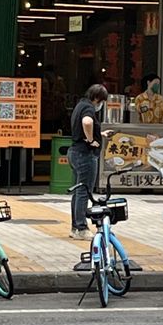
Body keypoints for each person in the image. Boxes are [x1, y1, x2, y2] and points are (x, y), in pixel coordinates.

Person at [67, 84, 109, 239]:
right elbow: (87, 123)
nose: (101, 104)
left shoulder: (80, 105)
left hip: (74, 152)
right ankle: (81, 228)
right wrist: (91, 140)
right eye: (102, 101)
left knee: (78, 191)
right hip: (84, 155)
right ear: (97, 98)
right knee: (84, 192)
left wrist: (100, 134)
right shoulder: (89, 108)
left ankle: (75, 227)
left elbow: (85, 125)